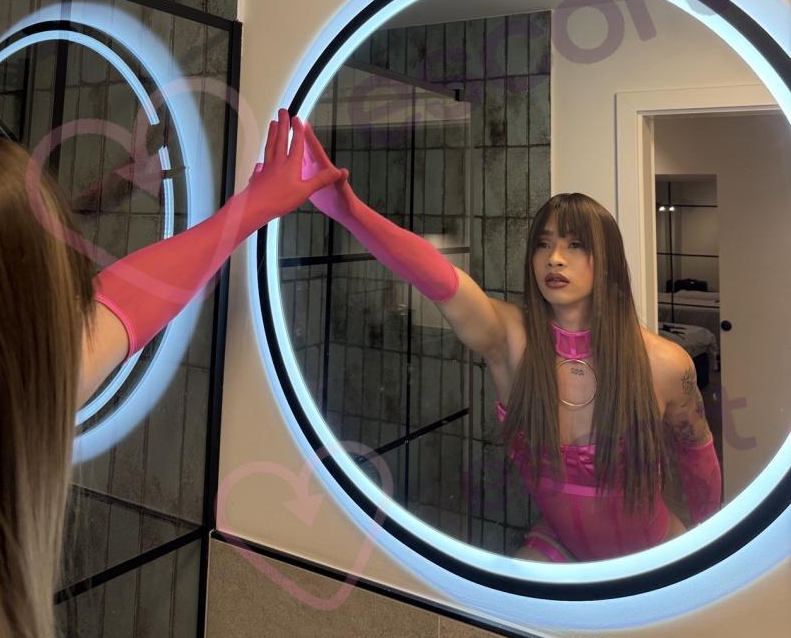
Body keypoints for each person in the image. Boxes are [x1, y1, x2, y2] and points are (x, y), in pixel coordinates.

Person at [0, 110, 343, 638]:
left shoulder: (12, 387)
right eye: (55, 309)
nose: (74, 323)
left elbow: (119, 304)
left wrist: (251, 206)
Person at [300, 122, 722, 562]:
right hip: (558, 547)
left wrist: (705, 551)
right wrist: (350, 211)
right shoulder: (511, 339)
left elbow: (698, 459)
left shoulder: (665, 363)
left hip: (653, 552)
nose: (554, 258)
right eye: (543, 244)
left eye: (575, 245)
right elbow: (440, 279)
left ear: (608, 260)